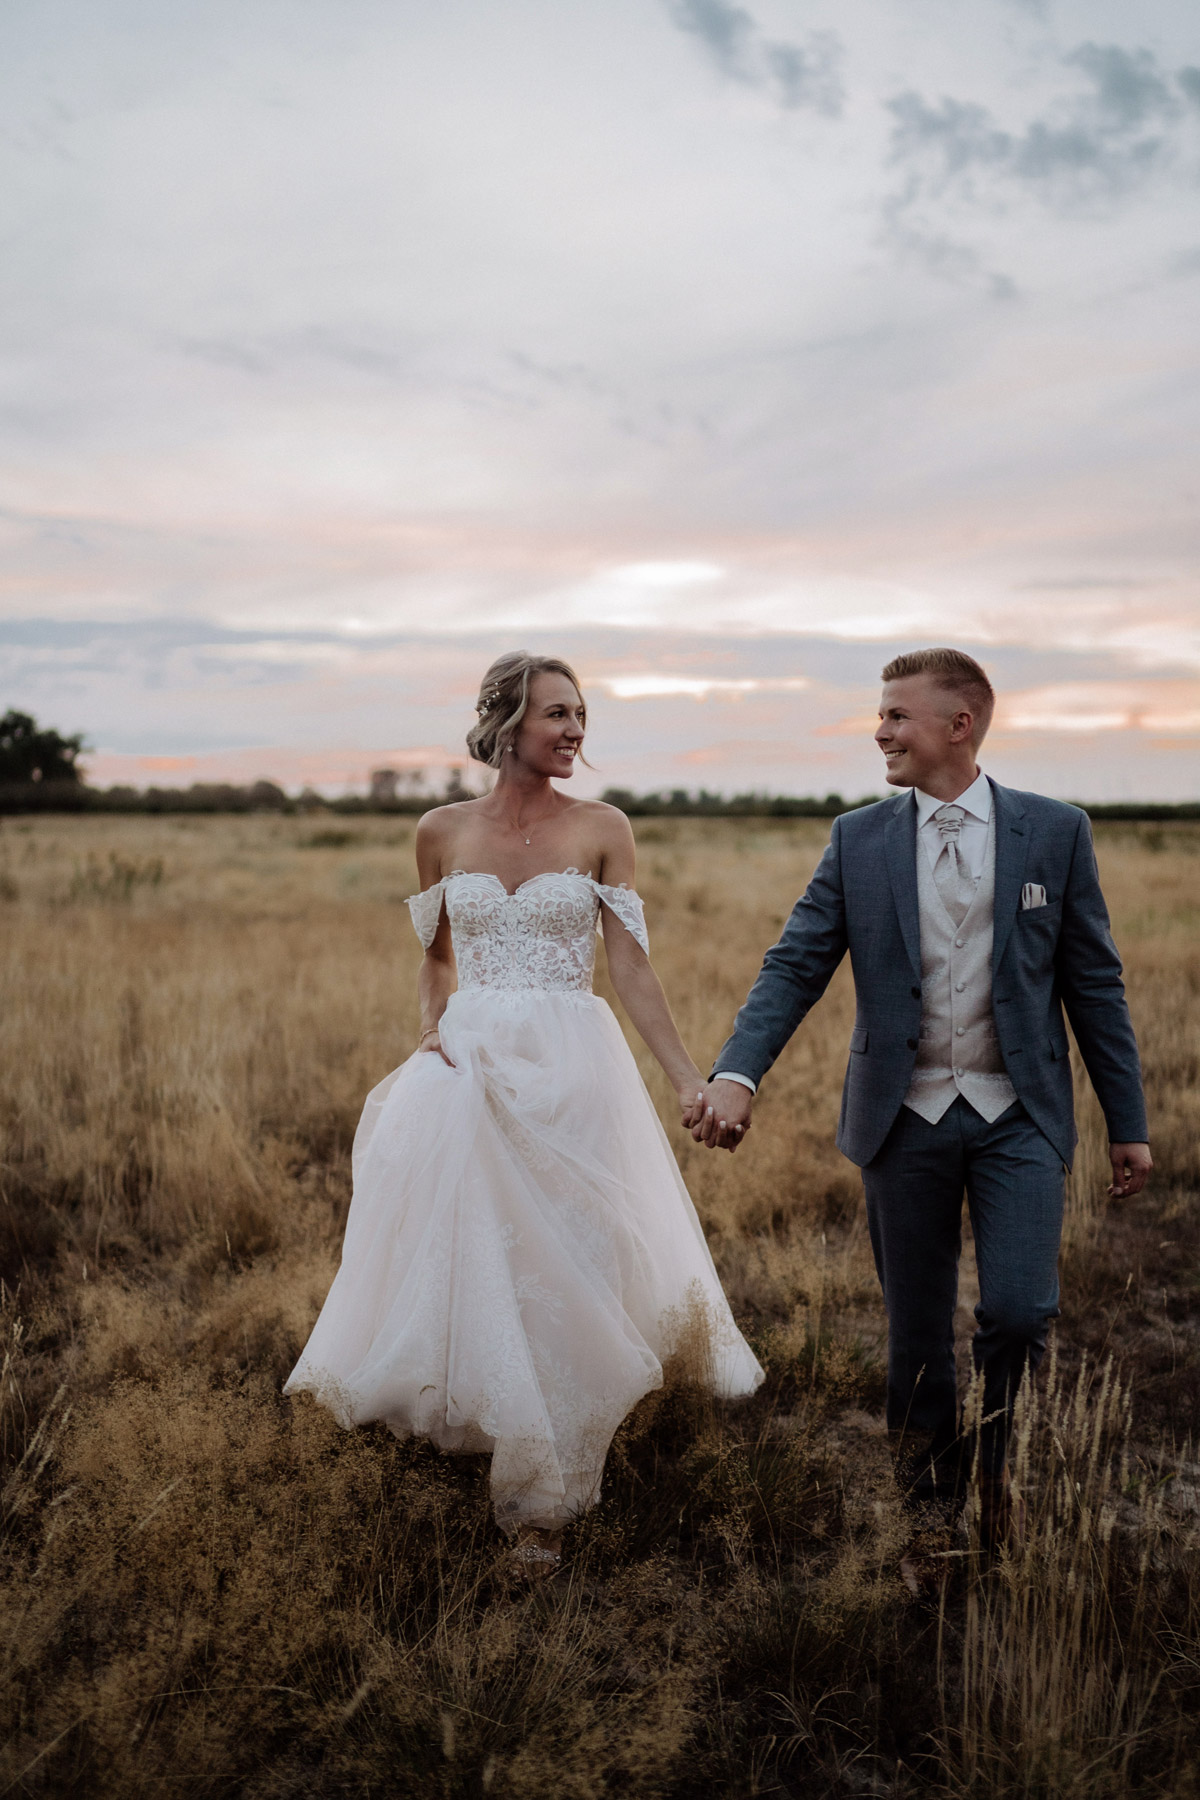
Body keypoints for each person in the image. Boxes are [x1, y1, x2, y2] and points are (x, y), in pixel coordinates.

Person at [285, 651, 763, 1572]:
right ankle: (498, 1424)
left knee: (570, 1254)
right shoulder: (439, 832)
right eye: (556, 714)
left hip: (574, 1066)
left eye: (581, 714)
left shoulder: (602, 828)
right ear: (506, 723)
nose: (575, 729)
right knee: (476, 1251)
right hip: (469, 1067)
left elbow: (628, 966)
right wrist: (429, 1030)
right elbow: (435, 957)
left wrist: (683, 1079)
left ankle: (548, 1491)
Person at [690, 647, 1150, 1587]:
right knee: (915, 1332)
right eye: (880, 714)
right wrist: (739, 1070)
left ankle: (997, 1467)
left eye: (897, 715)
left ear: (959, 724)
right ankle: (929, 1517)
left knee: (1020, 1313)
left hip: (1020, 1111)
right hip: (903, 1118)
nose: (880, 731)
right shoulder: (858, 838)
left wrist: (1127, 1119)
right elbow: (796, 964)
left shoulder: (1054, 832)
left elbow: (1094, 982)